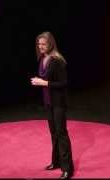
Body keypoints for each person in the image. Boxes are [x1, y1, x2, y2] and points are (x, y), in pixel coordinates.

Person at [31, 31, 74, 179]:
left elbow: (64, 83)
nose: (41, 47)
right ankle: (56, 162)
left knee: (61, 134)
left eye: (44, 44)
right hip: (48, 102)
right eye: (39, 44)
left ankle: (68, 168)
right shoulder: (42, 58)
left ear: (51, 44)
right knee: (53, 133)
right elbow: (45, 78)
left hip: (58, 103)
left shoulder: (57, 60)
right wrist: (39, 81)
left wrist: (44, 83)